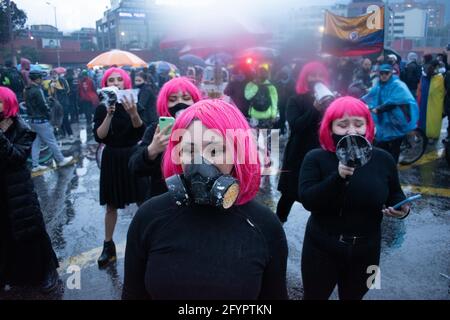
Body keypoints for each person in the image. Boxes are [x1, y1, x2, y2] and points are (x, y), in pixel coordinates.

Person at [122, 99, 288, 300]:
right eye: (189, 151)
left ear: (239, 154)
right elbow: (132, 294)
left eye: (215, 151)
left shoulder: (265, 226)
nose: (199, 162)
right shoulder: (149, 217)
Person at [298, 96, 411, 300]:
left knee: (356, 296)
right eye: (342, 125)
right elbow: (308, 199)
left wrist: (402, 208)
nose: (351, 130)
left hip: (368, 251)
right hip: (321, 248)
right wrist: (338, 177)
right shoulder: (315, 158)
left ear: (367, 127)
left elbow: (395, 192)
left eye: (358, 124)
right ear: (330, 128)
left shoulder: (383, 158)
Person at [0, 86, 60, 293]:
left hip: (18, 191)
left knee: (30, 232)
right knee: (6, 235)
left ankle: (46, 272)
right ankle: (13, 275)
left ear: (8, 104)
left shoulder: (21, 128)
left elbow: (16, 157)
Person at [93, 67, 149, 268]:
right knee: (111, 205)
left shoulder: (133, 102)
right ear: (106, 85)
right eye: (111, 80)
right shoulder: (101, 108)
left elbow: (141, 130)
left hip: (133, 155)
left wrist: (133, 113)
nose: (116, 83)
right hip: (112, 158)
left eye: (119, 79)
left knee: (144, 201)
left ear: (126, 83)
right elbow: (99, 136)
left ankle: (148, 243)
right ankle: (108, 247)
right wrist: (108, 114)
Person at [128, 77, 202, 199]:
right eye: (173, 99)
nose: (180, 103)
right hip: (163, 198)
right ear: (165, 103)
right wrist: (152, 150)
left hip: (198, 196)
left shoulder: (204, 127)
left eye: (186, 98)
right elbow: (134, 167)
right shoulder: (155, 130)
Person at [276, 61, 330, 223]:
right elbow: (296, 125)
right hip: (298, 153)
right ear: (305, 78)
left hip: (320, 152)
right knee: (289, 194)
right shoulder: (296, 100)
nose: (316, 78)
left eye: (320, 75)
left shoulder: (329, 99)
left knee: (319, 194)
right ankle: (278, 225)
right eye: (312, 75)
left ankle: (320, 230)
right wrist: (314, 109)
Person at [362, 64, 419, 163]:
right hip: (384, 118)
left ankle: (393, 167)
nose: (384, 75)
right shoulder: (379, 85)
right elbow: (370, 95)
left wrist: (379, 109)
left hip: (397, 120)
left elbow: (395, 101)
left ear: (391, 73)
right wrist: (359, 102)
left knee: (394, 147)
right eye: (382, 73)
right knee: (382, 142)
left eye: (386, 73)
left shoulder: (398, 85)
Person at [25, 70, 73, 172]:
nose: (42, 80)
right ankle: (61, 160)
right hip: (41, 120)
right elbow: (43, 105)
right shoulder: (38, 90)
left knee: (36, 143)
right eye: (41, 78)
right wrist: (49, 115)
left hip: (32, 120)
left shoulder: (27, 89)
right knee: (52, 141)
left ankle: (35, 165)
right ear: (37, 79)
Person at [417, 60, 446, 144]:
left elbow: (442, 90)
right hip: (425, 101)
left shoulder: (439, 77)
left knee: (432, 118)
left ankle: (430, 136)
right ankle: (423, 134)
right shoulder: (426, 76)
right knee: (423, 117)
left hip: (434, 102)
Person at [48, 69, 74, 141]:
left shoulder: (62, 80)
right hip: (56, 104)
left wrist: (56, 87)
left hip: (64, 103)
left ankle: (70, 134)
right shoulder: (50, 83)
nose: (53, 75)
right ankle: (63, 134)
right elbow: (50, 94)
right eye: (52, 74)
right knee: (59, 119)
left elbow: (67, 90)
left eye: (54, 74)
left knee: (65, 118)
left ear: (57, 74)